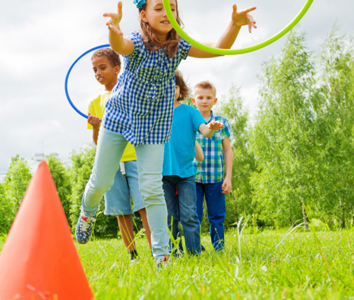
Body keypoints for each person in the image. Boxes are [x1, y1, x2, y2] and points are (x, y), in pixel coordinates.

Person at [74, 0, 256, 268]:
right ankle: (87, 214)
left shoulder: (178, 46)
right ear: (144, 15)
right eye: (159, 7)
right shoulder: (136, 41)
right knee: (101, 182)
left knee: (152, 190)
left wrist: (235, 25)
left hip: (154, 124)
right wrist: (114, 28)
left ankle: (162, 255)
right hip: (119, 116)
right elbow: (119, 45)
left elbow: (217, 50)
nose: (167, 13)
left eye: (172, 7)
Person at [86, 47, 152, 261]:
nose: (98, 73)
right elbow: (98, 142)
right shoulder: (95, 103)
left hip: (135, 157)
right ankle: (133, 255)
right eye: (95, 69)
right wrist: (96, 127)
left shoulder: (129, 93)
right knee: (120, 210)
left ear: (117, 68)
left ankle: (156, 251)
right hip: (112, 163)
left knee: (145, 206)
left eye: (102, 67)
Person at [162, 71, 218, 256]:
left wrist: (210, 129)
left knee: (189, 215)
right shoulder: (156, 113)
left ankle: (194, 253)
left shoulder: (190, 112)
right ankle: (174, 252)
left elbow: (205, 131)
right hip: (163, 174)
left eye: (174, 85)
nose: (170, 89)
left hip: (186, 173)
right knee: (170, 216)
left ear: (180, 89)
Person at [193, 81, 233, 251]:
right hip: (192, 177)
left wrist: (228, 177)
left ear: (215, 101)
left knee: (216, 215)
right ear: (193, 101)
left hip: (215, 177)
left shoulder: (221, 121)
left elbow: (228, 150)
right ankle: (194, 247)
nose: (204, 101)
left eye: (208, 98)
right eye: (200, 97)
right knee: (193, 215)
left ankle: (218, 247)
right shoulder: (191, 120)